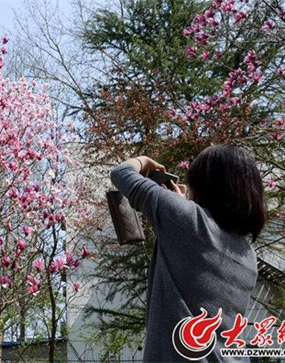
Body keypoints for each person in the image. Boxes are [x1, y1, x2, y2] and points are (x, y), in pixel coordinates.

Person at [110, 145, 266, 362]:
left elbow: (121, 173)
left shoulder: (188, 221)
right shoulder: (247, 253)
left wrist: (143, 160)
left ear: (204, 185)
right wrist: (182, 207)